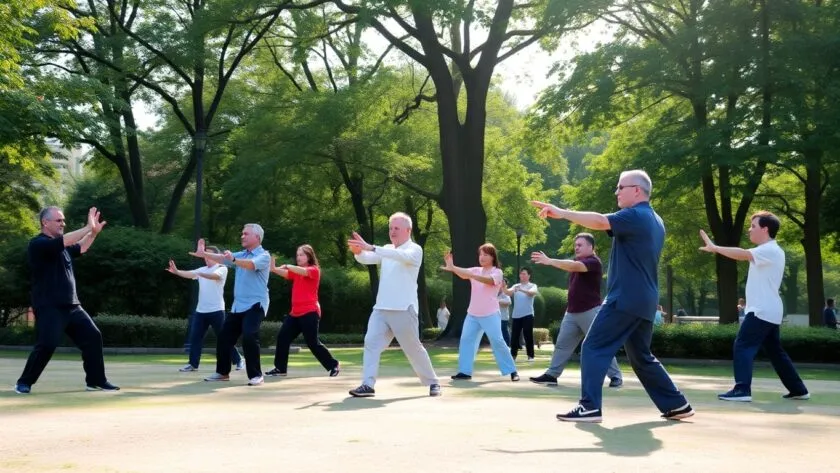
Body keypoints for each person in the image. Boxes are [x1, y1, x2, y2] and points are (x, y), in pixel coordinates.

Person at [532, 170, 693, 423]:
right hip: (645, 299)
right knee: (641, 355)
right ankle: (677, 404)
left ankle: (590, 407)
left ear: (637, 190)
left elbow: (599, 221)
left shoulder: (637, 215)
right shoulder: (655, 219)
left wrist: (561, 212)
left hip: (625, 297)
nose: (616, 192)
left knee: (593, 346)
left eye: (620, 187)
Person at [700, 211, 810, 402]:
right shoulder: (769, 250)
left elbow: (742, 254)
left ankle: (742, 390)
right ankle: (798, 389)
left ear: (765, 229)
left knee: (742, 345)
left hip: (761, 311)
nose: (749, 230)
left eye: (753, 226)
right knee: (775, 352)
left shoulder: (770, 250)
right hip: (769, 310)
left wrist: (715, 248)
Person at [14, 206, 119, 394]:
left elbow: (82, 247)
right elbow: (67, 240)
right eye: (58, 220)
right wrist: (88, 227)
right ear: (45, 223)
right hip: (49, 306)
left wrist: (93, 233)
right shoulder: (38, 244)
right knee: (47, 345)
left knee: (93, 337)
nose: (63, 223)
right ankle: (24, 382)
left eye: (63, 220)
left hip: (72, 306)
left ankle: (95, 381)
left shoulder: (63, 248)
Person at [346, 213, 441, 397]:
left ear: (408, 230)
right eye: (390, 228)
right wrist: (359, 252)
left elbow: (399, 255)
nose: (392, 232)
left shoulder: (415, 250)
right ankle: (367, 385)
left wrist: (372, 247)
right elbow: (368, 258)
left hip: (404, 309)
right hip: (381, 309)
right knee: (371, 342)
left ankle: (433, 382)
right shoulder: (386, 249)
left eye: (396, 228)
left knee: (413, 348)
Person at [528, 233, 623, 388]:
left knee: (599, 344)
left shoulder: (593, 262)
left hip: (590, 311)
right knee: (562, 345)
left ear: (591, 247)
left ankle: (615, 377)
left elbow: (573, 266)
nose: (576, 247)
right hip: (571, 313)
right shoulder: (577, 262)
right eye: (575, 245)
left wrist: (550, 261)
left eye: (580, 245)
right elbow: (572, 266)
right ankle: (552, 375)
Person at [194, 224, 270, 386]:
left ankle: (256, 375)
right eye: (242, 233)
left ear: (257, 237)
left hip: (256, 305)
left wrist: (234, 259)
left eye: (245, 234)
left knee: (250, 335)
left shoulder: (264, 255)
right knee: (224, 337)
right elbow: (222, 258)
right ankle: (222, 373)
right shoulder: (242, 254)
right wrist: (203, 253)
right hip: (238, 306)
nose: (242, 236)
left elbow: (250, 264)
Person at [444, 244, 520, 382]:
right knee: (466, 340)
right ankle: (464, 372)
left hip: (490, 314)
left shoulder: (497, 272)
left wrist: (471, 274)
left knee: (497, 341)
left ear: (492, 257)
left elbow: (489, 281)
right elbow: (463, 273)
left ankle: (512, 370)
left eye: (486, 254)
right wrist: (452, 267)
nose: (482, 257)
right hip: (472, 314)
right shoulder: (475, 270)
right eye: (480, 254)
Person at [265, 245, 340, 377]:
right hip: (295, 313)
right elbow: (280, 272)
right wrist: (273, 266)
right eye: (298, 255)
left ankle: (333, 364)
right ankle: (280, 368)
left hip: (310, 312)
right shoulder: (296, 272)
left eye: (302, 255)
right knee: (283, 337)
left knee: (312, 342)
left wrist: (288, 265)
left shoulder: (314, 270)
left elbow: (301, 271)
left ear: (309, 256)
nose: (298, 257)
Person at [165, 246, 244, 372]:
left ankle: (238, 360)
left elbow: (214, 276)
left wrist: (200, 273)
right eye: (205, 256)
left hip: (217, 311)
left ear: (216, 257)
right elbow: (190, 273)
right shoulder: (202, 269)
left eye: (209, 256)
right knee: (195, 338)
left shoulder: (221, 268)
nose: (207, 258)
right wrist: (177, 272)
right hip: (200, 311)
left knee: (224, 338)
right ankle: (193, 364)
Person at [505, 267, 538, 361]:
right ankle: (513, 355)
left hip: (528, 314)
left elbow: (532, 293)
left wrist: (521, 290)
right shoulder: (516, 285)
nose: (522, 275)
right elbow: (508, 293)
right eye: (521, 274)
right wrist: (503, 287)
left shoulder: (532, 285)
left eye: (524, 274)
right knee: (514, 336)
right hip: (516, 315)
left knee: (528, 335)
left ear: (529, 275)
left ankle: (530, 356)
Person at [498, 281, 512, 347]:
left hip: (503, 317)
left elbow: (508, 302)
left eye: (503, 284)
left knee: (504, 331)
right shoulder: (495, 294)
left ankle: (507, 346)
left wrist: (497, 301)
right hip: (495, 317)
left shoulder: (505, 293)